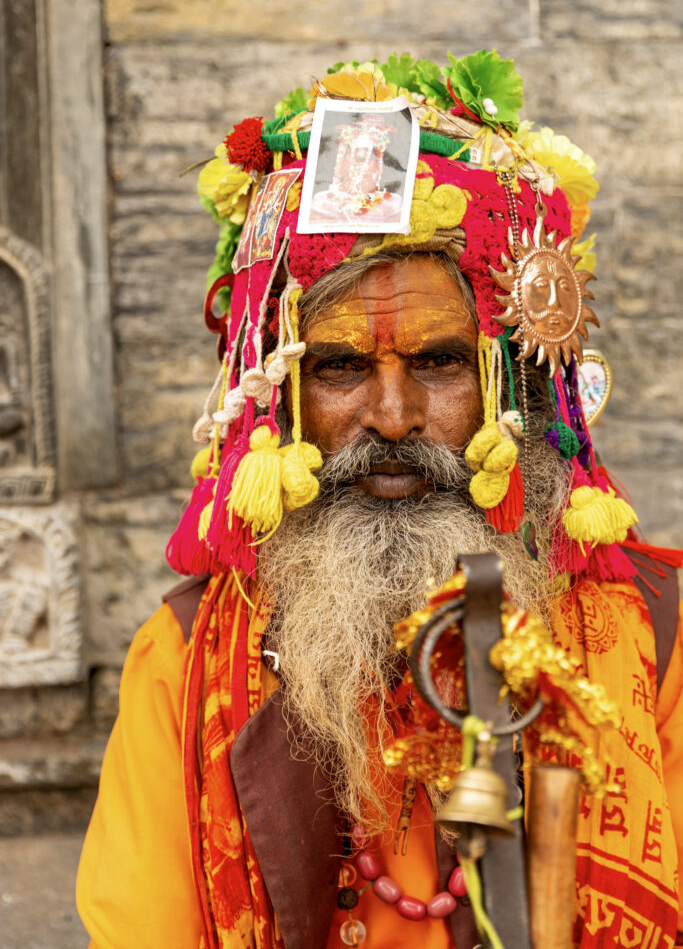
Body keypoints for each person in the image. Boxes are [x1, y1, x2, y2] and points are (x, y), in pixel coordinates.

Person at [77, 52, 683, 949]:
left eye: (438, 363)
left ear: (510, 384)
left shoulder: (652, 634)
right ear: (279, 398)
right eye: (339, 368)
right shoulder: (184, 660)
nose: (391, 417)